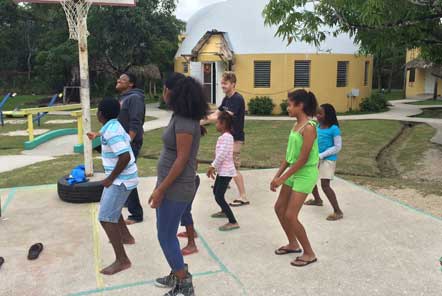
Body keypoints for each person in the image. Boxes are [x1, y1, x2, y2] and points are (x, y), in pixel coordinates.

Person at [151, 73, 208, 296]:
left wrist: (161, 189)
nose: (163, 93)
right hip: (172, 184)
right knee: (167, 233)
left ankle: (184, 284)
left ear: (172, 93)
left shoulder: (184, 122)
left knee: (165, 235)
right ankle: (178, 271)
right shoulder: (181, 116)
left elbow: (182, 159)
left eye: (165, 89)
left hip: (175, 188)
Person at [87, 98, 138, 275]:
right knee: (112, 211)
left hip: (120, 180)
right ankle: (126, 237)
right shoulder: (113, 125)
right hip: (127, 178)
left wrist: (110, 178)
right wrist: (97, 135)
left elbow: (124, 157)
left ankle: (122, 260)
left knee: (105, 217)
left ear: (100, 114)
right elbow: (108, 134)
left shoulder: (112, 132)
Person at [271, 89, 319, 267]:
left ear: (300, 106)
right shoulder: (295, 126)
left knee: (291, 215)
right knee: (279, 208)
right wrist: (276, 176)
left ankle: (309, 253)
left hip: (305, 173)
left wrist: (282, 178)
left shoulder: (309, 128)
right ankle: (293, 243)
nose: (287, 107)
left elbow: (303, 159)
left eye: (290, 104)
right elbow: (289, 157)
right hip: (293, 171)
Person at [201, 71, 248, 207]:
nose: (223, 86)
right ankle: (223, 184)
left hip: (236, 138)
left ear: (233, 84)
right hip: (228, 137)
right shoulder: (226, 99)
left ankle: (243, 196)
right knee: (223, 162)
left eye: (225, 83)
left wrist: (202, 121)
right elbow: (217, 112)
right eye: (222, 83)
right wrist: (203, 120)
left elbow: (223, 117)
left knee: (233, 166)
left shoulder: (237, 99)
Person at [305, 103, 344, 221]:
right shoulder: (317, 127)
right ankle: (317, 200)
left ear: (328, 115)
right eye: (316, 113)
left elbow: (338, 147)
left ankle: (338, 211)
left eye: (320, 113)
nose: (317, 115)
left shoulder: (334, 129)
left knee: (325, 185)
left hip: (328, 160)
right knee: (311, 179)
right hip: (316, 158)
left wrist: (321, 155)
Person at [116, 72, 145, 225]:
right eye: (119, 78)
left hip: (130, 143)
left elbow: (136, 121)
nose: (119, 80)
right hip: (122, 143)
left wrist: (128, 141)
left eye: (123, 79)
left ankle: (136, 214)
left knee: (127, 175)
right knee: (122, 174)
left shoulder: (135, 98)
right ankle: (128, 202)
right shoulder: (124, 97)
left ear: (131, 84)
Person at [207, 111, 240, 231]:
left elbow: (222, 154)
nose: (216, 125)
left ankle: (233, 221)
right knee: (216, 192)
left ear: (224, 123)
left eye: (217, 123)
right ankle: (223, 211)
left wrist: (213, 166)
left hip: (226, 172)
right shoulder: (224, 137)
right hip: (223, 171)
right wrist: (215, 166)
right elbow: (220, 154)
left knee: (219, 196)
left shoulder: (227, 137)